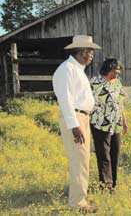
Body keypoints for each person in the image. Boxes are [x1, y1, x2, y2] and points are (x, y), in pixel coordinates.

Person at [52, 35, 101, 214]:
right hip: (75, 119)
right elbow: (65, 100)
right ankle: (78, 203)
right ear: (80, 52)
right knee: (79, 160)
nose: (92, 55)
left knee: (82, 160)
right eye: (90, 51)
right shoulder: (67, 69)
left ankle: (80, 197)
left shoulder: (77, 69)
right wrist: (75, 126)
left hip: (82, 118)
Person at [89, 58, 128, 193]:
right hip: (100, 123)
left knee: (115, 153)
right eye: (116, 69)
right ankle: (106, 185)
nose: (118, 72)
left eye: (118, 70)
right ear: (108, 69)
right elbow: (87, 101)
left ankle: (114, 183)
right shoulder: (95, 82)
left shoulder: (117, 83)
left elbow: (120, 103)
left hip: (115, 123)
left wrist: (124, 121)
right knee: (104, 155)